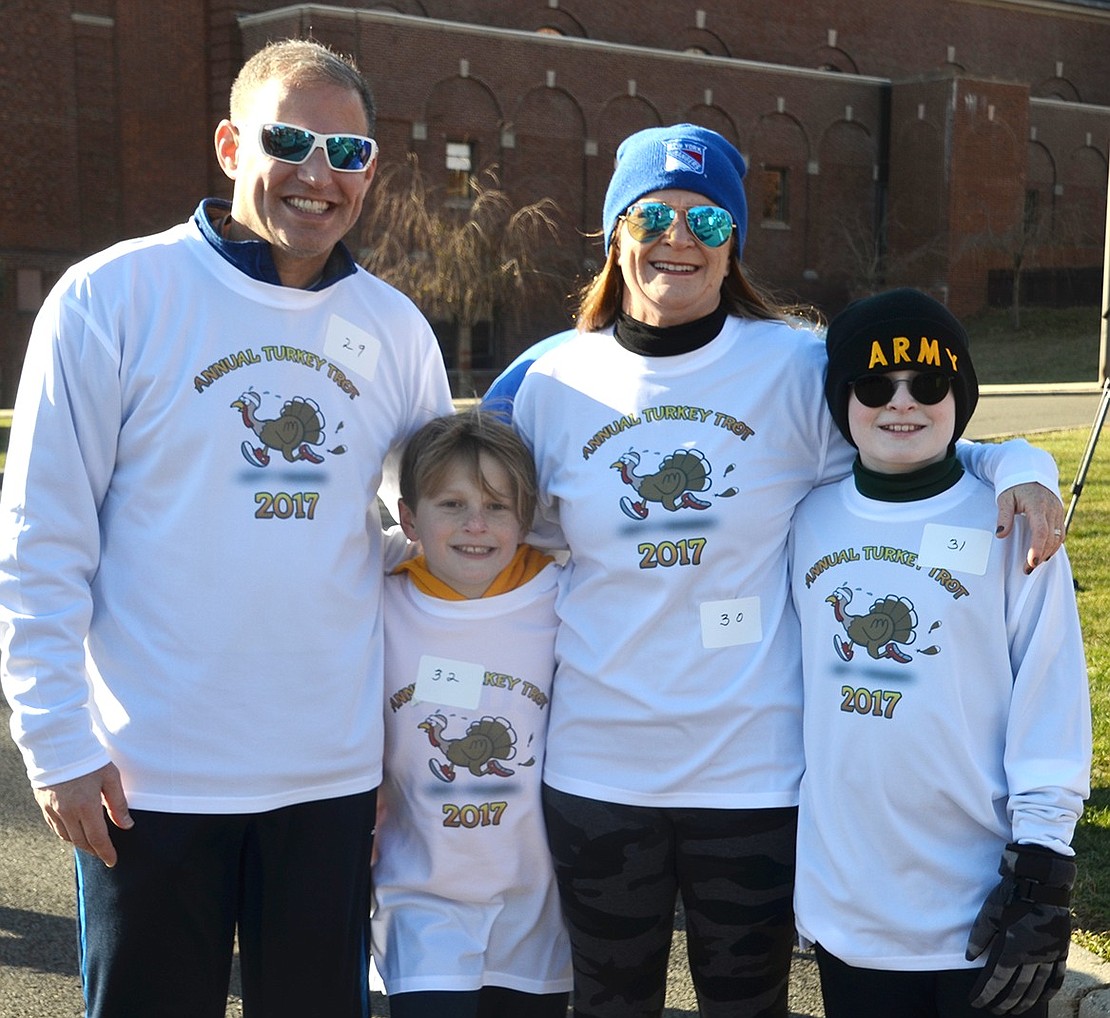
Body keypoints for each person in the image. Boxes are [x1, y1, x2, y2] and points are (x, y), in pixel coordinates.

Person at [483, 123, 1067, 1017]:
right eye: (655, 216)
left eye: (709, 224)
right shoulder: (552, 384)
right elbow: (467, 506)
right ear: (615, 232)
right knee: (609, 1002)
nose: (680, 239)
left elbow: (914, 433)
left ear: (735, 245)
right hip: (599, 770)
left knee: (747, 1003)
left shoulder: (794, 367)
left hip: (753, 774)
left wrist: (1024, 465)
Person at [0, 38, 453, 1018]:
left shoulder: (394, 330)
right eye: (289, 138)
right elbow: (45, 534)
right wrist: (52, 740)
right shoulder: (112, 296)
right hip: (148, 777)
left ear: (372, 169)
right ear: (228, 143)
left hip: (327, 780)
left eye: (349, 151)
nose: (318, 172)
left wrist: (396, 744)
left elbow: (432, 538)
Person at [789, 287, 1091, 1017]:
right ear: (842, 401)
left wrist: (1044, 859)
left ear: (960, 396)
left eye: (929, 385)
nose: (902, 404)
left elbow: (1050, 694)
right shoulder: (804, 516)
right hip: (849, 909)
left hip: (979, 909)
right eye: (873, 385)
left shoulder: (1015, 522)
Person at [371, 409, 572, 1018]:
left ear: (527, 516)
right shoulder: (376, 599)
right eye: (451, 505)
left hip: (537, 912)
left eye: (497, 507)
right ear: (408, 518)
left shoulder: (563, 596)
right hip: (422, 899)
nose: (476, 525)